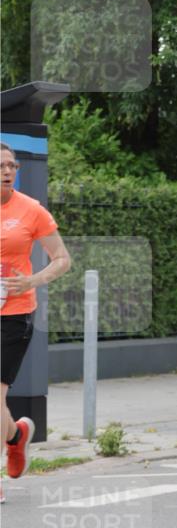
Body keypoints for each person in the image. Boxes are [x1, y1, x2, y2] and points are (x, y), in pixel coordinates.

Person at [1, 142, 71, 503]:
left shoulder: (31, 211)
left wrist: (32, 280)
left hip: (13, 316)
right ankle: (15, 436)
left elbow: (61, 259)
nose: (8, 171)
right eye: (1, 165)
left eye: (12, 165)